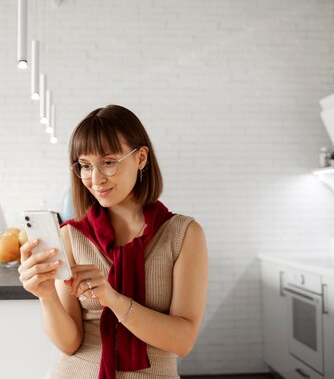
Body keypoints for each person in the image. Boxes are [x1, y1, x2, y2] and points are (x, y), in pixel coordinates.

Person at [18, 105, 208, 379]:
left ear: (141, 157)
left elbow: (182, 341)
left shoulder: (184, 234)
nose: (95, 179)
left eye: (108, 162)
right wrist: (46, 296)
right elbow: (69, 344)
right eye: (85, 166)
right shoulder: (71, 236)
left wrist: (113, 299)